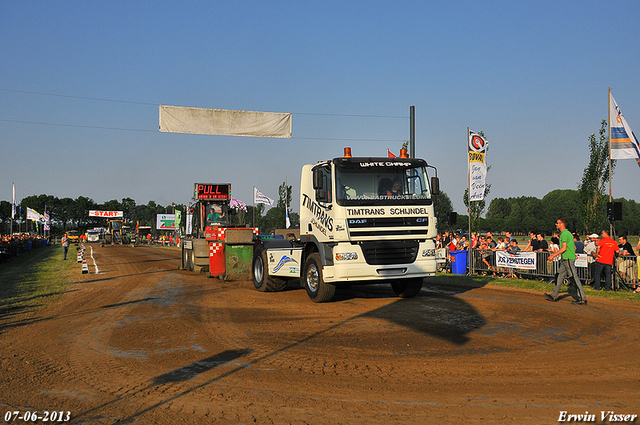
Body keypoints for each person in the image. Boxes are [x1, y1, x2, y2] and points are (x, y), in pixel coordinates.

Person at [545, 218, 587, 305]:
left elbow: (564, 248)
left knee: (574, 278)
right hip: (565, 259)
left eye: (557, 223)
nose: (556, 224)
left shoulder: (564, 234)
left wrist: (553, 255)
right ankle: (554, 295)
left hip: (568, 259)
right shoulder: (567, 233)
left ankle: (582, 298)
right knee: (559, 277)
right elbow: (573, 248)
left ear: (562, 224)